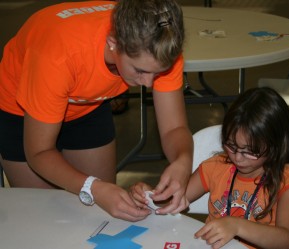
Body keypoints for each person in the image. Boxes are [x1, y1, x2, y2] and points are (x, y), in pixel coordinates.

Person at [0, 0, 193, 221]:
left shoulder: (160, 48)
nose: (148, 83)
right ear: (113, 43)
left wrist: (182, 161)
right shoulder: (59, 54)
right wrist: (93, 187)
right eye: (139, 70)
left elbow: (174, 128)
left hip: (87, 103)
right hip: (21, 110)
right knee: (44, 219)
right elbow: (39, 153)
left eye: (158, 73)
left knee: (98, 217)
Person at [131, 87, 289, 248]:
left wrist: (236, 226)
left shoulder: (288, 180)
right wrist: (150, 197)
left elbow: (286, 240)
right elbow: (175, 201)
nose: (238, 157)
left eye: (251, 151)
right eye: (231, 146)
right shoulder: (217, 166)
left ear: (276, 145)